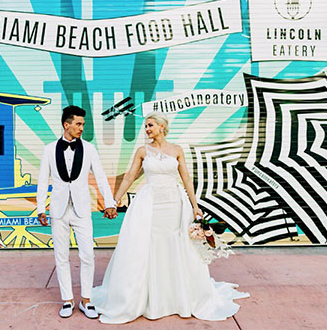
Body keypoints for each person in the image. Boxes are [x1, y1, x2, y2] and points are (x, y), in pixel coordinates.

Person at [92, 111, 249, 324]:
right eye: (146, 126)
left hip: (175, 203)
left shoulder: (176, 150)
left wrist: (195, 206)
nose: (147, 129)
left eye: (150, 125)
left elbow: (186, 178)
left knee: (176, 245)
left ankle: (178, 295)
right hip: (150, 203)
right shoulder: (142, 151)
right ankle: (149, 296)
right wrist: (115, 199)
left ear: (161, 127)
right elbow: (130, 176)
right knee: (148, 245)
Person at [36, 105, 118, 319]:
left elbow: (100, 177)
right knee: (61, 256)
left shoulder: (89, 149)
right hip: (58, 210)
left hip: (82, 210)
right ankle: (67, 300)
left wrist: (109, 202)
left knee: (88, 254)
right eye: (79, 124)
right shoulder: (48, 149)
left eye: (83, 124)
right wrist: (39, 207)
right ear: (67, 124)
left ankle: (86, 300)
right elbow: (43, 181)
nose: (82, 128)